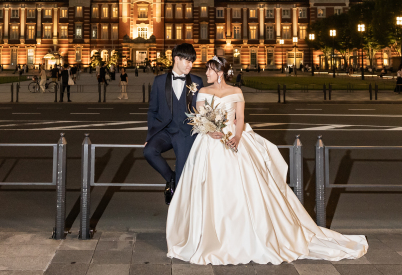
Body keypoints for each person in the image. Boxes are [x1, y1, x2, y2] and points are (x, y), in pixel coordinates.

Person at [166, 55, 368, 265]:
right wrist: (209, 132)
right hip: (208, 143)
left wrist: (236, 137)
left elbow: (240, 119)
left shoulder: (236, 91)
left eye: (209, 70)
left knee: (243, 187)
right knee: (209, 187)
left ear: (220, 73)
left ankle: (245, 235)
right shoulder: (204, 92)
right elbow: (200, 117)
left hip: (232, 140)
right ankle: (208, 235)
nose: (205, 73)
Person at [144, 43, 204, 206]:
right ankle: (170, 178)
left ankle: (179, 212)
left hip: (185, 133)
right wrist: (150, 135)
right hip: (165, 131)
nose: (190, 65)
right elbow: (152, 110)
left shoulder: (197, 82)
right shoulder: (159, 81)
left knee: (182, 174)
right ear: (176, 59)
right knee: (149, 152)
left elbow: (204, 109)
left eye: (192, 61)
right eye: (187, 61)